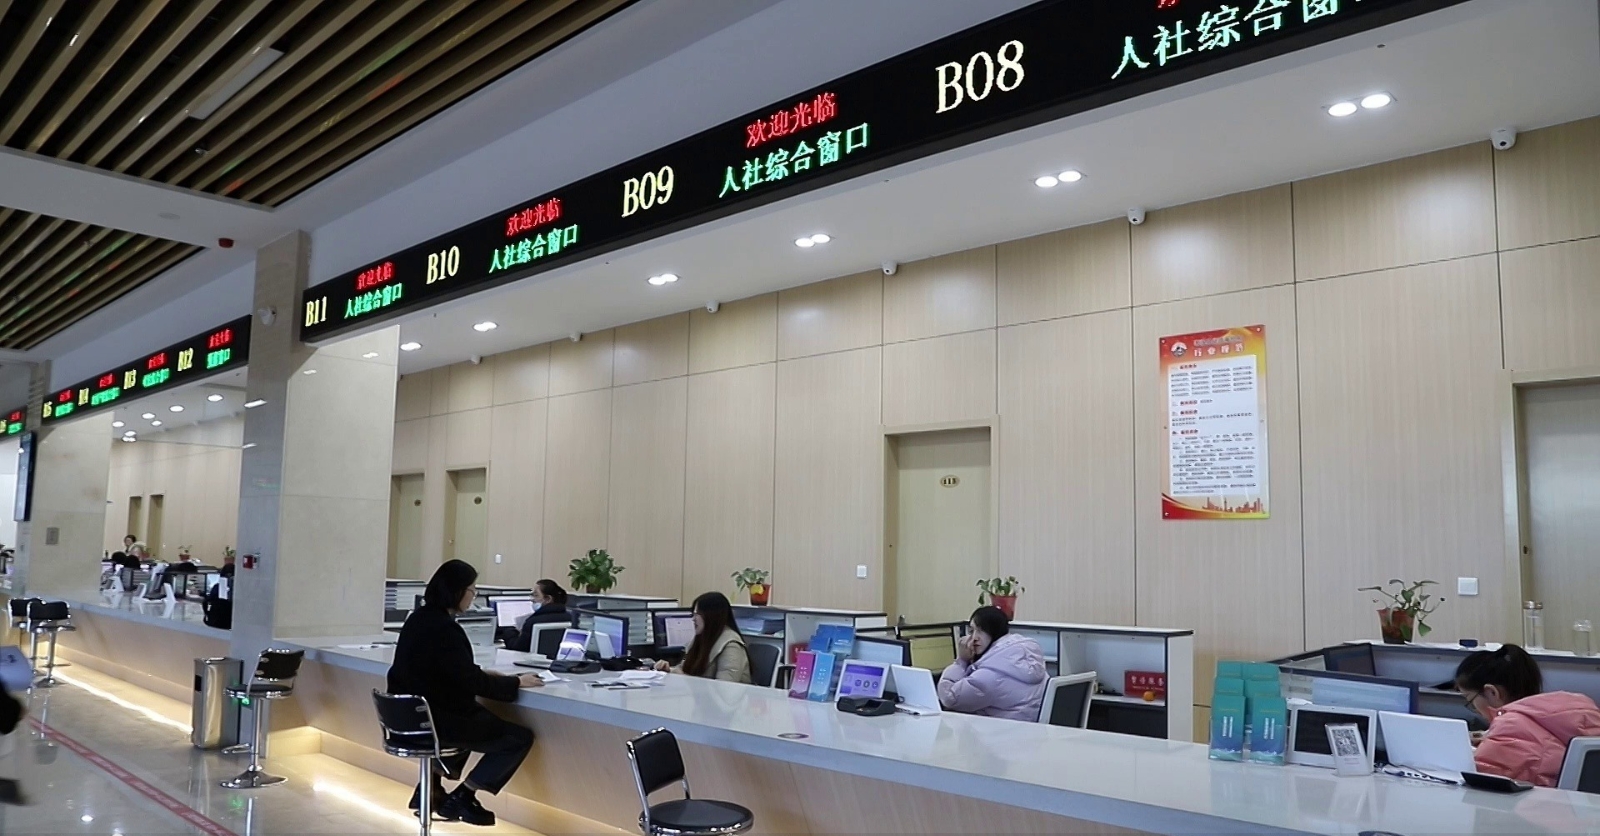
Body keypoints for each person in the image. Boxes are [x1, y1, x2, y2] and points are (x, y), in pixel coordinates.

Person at [388, 560, 542, 825]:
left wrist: (481, 673)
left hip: (409, 718)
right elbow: (471, 683)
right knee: (517, 738)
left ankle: (430, 787)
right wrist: (515, 683)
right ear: (457, 591)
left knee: (473, 724)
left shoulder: (419, 619)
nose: (473, 597)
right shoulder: (446, 628)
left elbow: (447, 669)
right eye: (472, 590)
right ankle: (464, 796)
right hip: (437, 721)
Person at [1455, 644, 1600, 787]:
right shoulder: (1578, 709)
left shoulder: (1510, 726)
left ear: (1492, 692)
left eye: (1470, 701)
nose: (1474, 709)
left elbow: (1475, 777)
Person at [938, 606, 1048, 721]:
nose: (974, 638)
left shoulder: (989, 677)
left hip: (1001, 730)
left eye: (981, 631)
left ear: (994, 631)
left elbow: (949, 698)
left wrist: (961, 661)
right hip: (1028, 728)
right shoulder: (1025, 654)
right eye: (971, 631)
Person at [654, 592, 751, 683]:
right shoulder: (703, 638)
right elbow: (684, 669)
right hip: (697, 694)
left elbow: (725, 689)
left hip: (722, 696)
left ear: (711, 615)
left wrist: (683, 677)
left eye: (697, 614)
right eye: (693, 614)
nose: (693, 619)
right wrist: (669, 670)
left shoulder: (731, 645)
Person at [507, 579, 571, 653]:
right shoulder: (569, 617)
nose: (532, 599)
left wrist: (509, 632)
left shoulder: (533, 621)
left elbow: (518, 648)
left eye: (536, 595)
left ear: (548, 599)